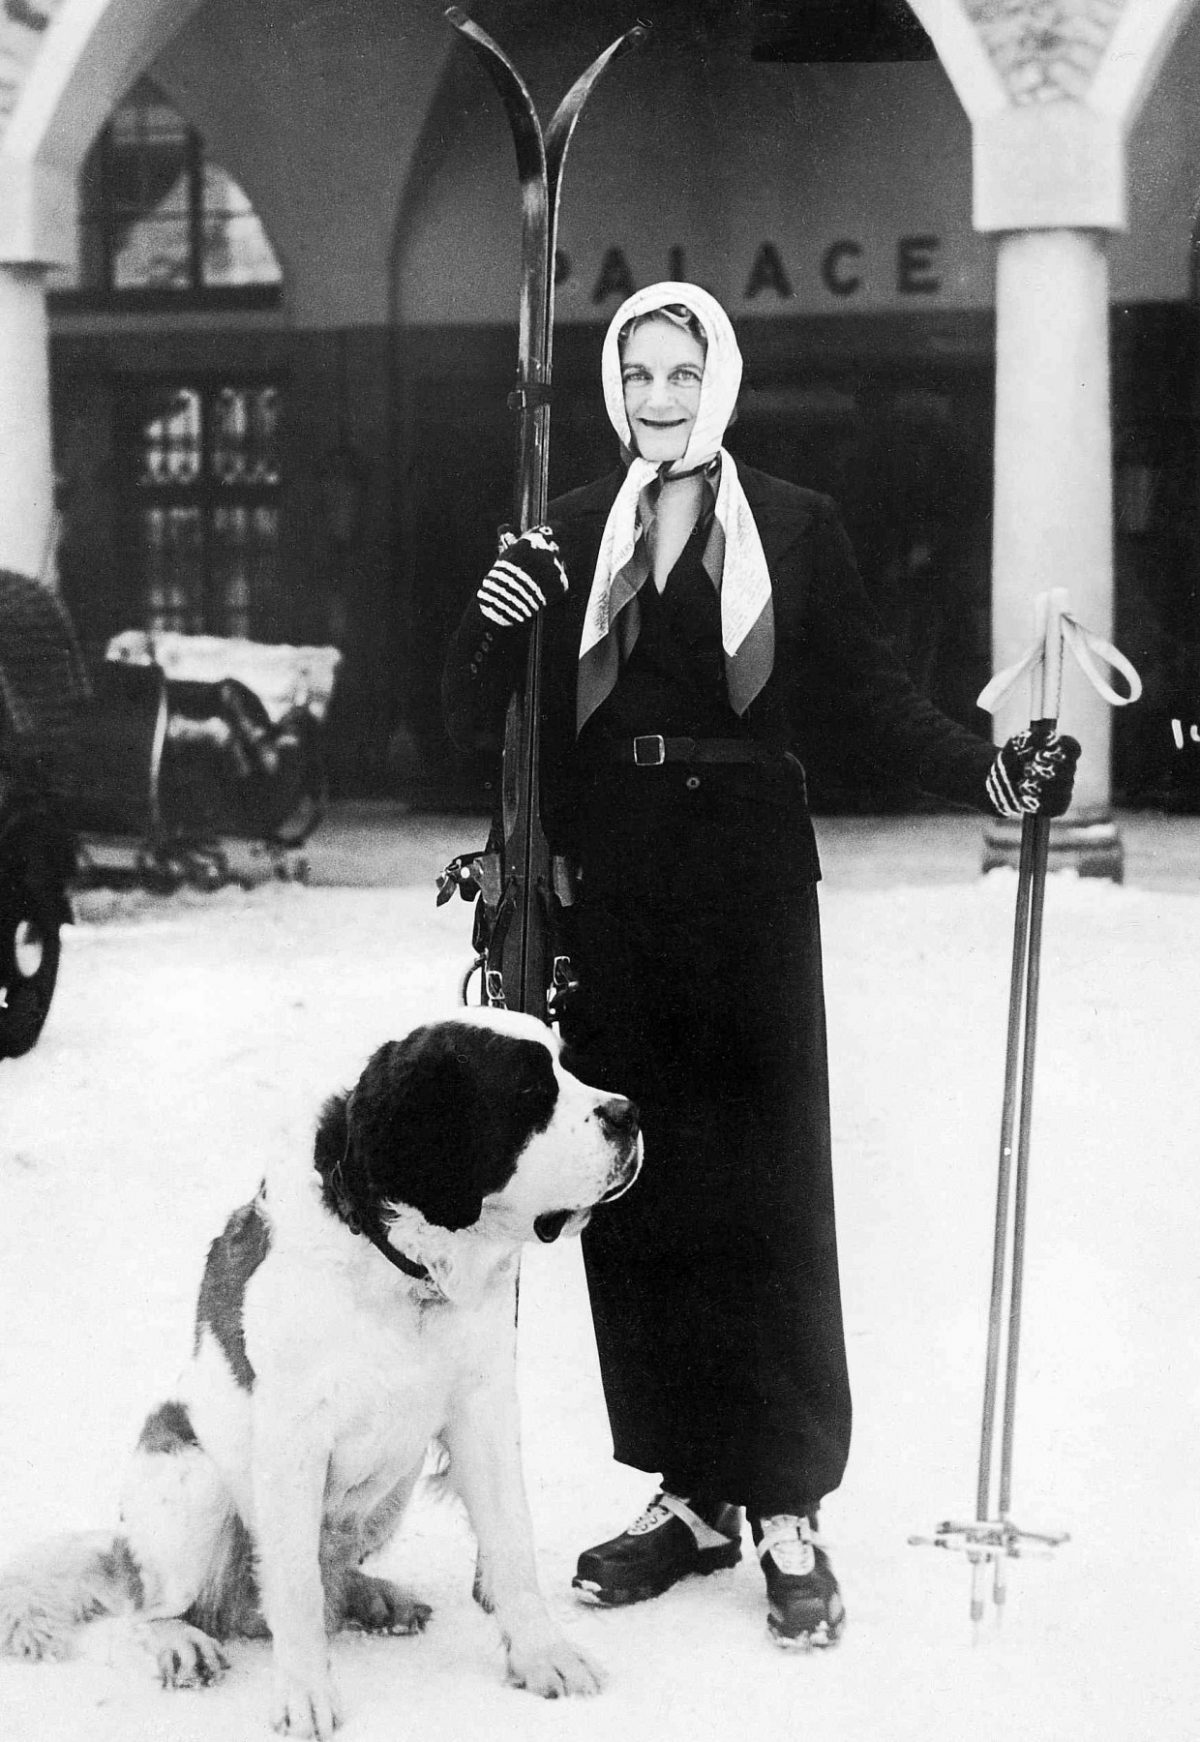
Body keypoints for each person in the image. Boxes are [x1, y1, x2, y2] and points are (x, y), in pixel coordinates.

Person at [442, 282, 1078, 1647]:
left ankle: (785, 1501)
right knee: (638, 1187)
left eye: (683, 373)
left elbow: (867, 697)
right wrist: (495, 621)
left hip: (745, 885)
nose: (660, 398)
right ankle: (686, 1493)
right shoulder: (564, 539)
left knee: (768, 1180)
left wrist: (990, 773)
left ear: (717, 378)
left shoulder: (792, 524)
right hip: (611, 890)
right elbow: (469, 722)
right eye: (639, 376)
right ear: (613, 390)